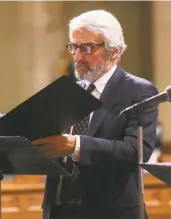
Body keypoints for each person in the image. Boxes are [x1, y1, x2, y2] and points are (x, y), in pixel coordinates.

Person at [32, 10, 158, 219]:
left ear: (114, 51)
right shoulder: (69, 91)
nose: (78, 56)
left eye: (87, 48)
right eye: (74, 47)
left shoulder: (138, 91)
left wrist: (76, 145)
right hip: (61, 209)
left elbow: (136, 152)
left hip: (110, 211)